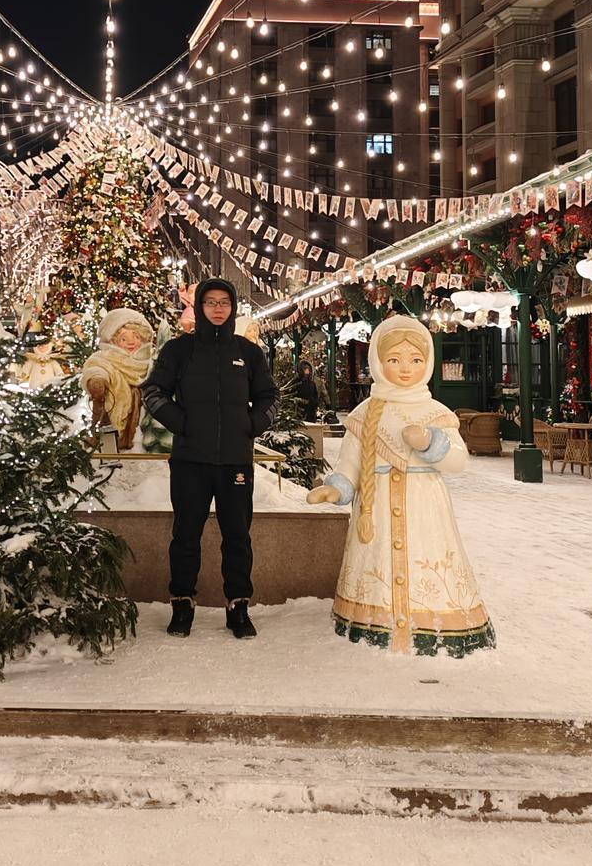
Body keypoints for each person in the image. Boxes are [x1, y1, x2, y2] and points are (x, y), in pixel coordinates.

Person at [306, 315, 495, 656]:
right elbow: (350, 462)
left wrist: (430, 443)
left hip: (425, 509)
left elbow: (458, 460)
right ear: (378, 362)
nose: (405, 369)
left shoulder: (435, 411)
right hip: (374, 509)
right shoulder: (366, 413)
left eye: (416, 360)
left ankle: (437, 622)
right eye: (394, 360)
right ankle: (371, 619)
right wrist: (336, 488)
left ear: (428, 364)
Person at [142, 277, 277, 639]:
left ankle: (238, 606)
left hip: (235, 461)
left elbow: (269, 397)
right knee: (186, 534)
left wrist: (252, 423)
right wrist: (182, 423)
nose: (217, 309)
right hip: (190, 461)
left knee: (237, 536)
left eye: (224, 303)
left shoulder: (248, 353)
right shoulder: (178, 350)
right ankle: (182, 603)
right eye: (210, 303)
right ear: (199, 307)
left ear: (232, 308)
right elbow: (154, 391)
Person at [79, 308, 154, 450]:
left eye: (136, 337)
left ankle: (138, 442)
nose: (131, 343)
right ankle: (105, 440)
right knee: (107, 418)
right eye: (124, 339)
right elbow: (98, 367)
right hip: (111, 402)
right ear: (113, 340)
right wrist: (97, 380)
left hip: (143, 411)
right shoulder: (106, 358)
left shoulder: (148, 361)